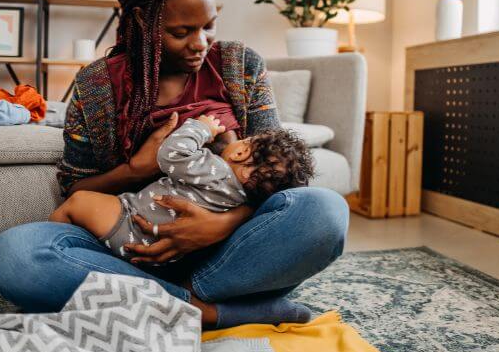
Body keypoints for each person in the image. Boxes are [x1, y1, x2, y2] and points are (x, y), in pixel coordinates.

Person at [0, 0, 348, 328]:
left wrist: (218, 226)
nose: (200, 44)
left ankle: (159, 301)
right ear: (143, 20)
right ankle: (206, 311)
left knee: (323, 211)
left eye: (208, 26)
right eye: (181, 32)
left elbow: (277, 174)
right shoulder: (98, 84)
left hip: (225, 252)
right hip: (127, 248)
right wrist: (136, 169)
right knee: (17, 253)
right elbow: (75, 190)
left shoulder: (239, 65)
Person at [48, 113, 314, 263]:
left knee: (78, 202)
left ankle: (50, 244)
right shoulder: (238, 197)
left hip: (131, 225)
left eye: (244, 140)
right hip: (163, 252)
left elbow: (171, 154)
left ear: (242, 153)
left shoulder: (217, 171)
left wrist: (202, 128)